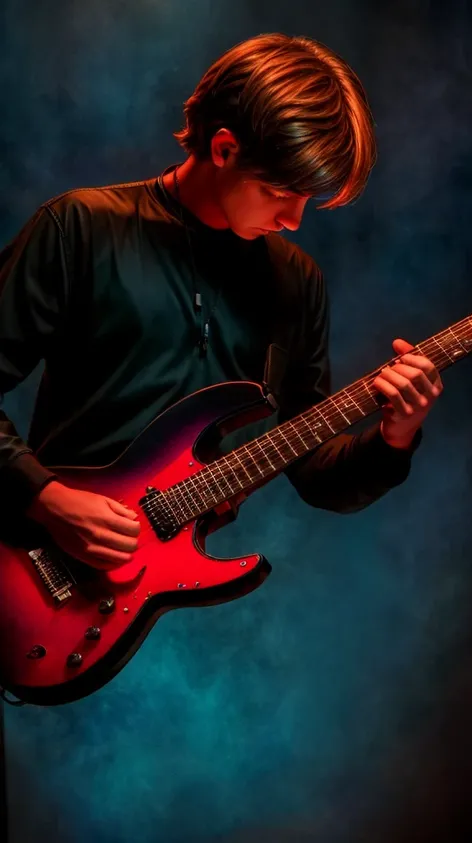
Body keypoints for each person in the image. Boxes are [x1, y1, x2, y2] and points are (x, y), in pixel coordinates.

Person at [0, 33, 442, 570]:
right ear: (225, 148)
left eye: (307, 199)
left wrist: (395, 437)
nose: (294, 221)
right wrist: (44, 498)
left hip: (148, 601)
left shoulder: (297, 282)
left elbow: (313, 472)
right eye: (280, 193)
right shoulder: (80, 228)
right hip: (28, 574)